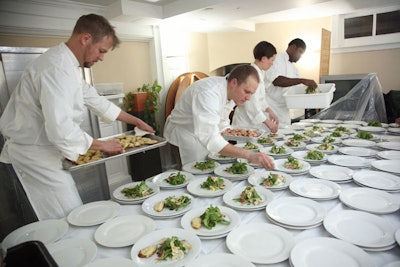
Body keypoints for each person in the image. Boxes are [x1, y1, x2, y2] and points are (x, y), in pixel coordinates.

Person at [0, 14, 155, 220]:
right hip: (34, 154)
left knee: (71, 213)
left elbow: (95, 100)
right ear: (85, 38)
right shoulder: (56, 68)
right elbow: (61, 129)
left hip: (47, 149)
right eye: (101, 51)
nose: (101, 58)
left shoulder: (68, 66)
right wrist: (102, 145)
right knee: (68, 215)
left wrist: (135, 121)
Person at [163, 64, 275, 170]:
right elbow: (210, 138)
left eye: (252, 94)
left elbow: (222, 123)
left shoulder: (231, 93)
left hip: (204, 136)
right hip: (185, 136)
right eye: (247, 92)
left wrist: (242, 136)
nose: (249, 98)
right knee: (192, 176)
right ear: (234, 83)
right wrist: (249, 155)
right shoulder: (208, 93)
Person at [265, 38, 318, 126]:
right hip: (269, 107)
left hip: (283, 110)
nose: (300, 56)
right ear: (293, 47)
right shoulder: (276, 58)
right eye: (300, 52)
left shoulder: (294, 70)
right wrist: (302, 80)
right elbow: (277, 81)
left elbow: (294, 91)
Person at [232, 41, 279, 133]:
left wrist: (269, 110)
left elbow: (261, 98)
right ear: (264, 59)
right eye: (272, 60)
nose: (272, 64)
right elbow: (251, 104)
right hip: (244, 124)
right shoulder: (251, 75)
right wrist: (268, 122)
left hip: (252, 124)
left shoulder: (260, 72)